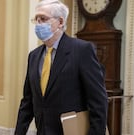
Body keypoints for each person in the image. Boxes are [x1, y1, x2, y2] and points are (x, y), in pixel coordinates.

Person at [15, 0, 108, 135]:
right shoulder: (33, 56)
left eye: (43, 19)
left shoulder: (82, 50)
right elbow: (28, 102)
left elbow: (98, 101)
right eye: (36, 19)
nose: (38, 23)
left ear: (60, 22)